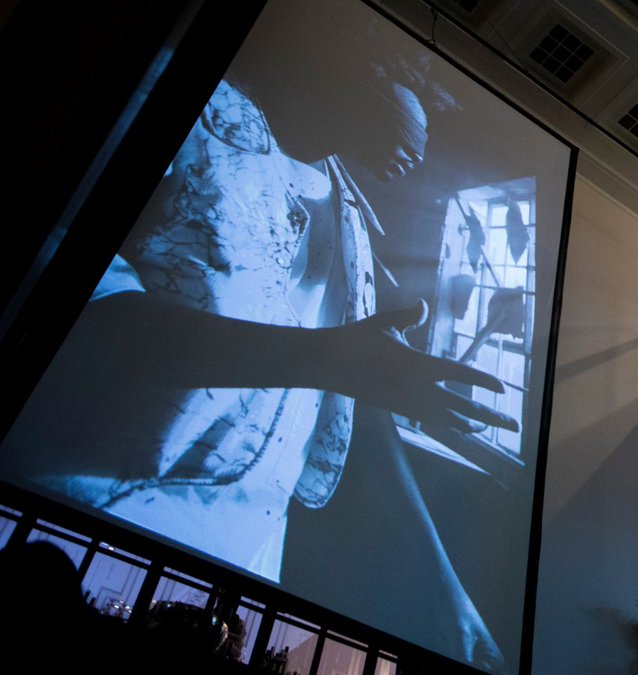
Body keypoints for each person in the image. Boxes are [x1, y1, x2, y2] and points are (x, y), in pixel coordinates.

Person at [0, 1, 506, 669]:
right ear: (364, 58)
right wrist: (325, 360)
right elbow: (67, 313)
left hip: (239, 576)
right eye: (421, 83)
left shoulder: (355, 220)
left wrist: (444, 585)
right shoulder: (189, 114)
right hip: (71, 531)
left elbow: (355, 395)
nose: (427, 130)